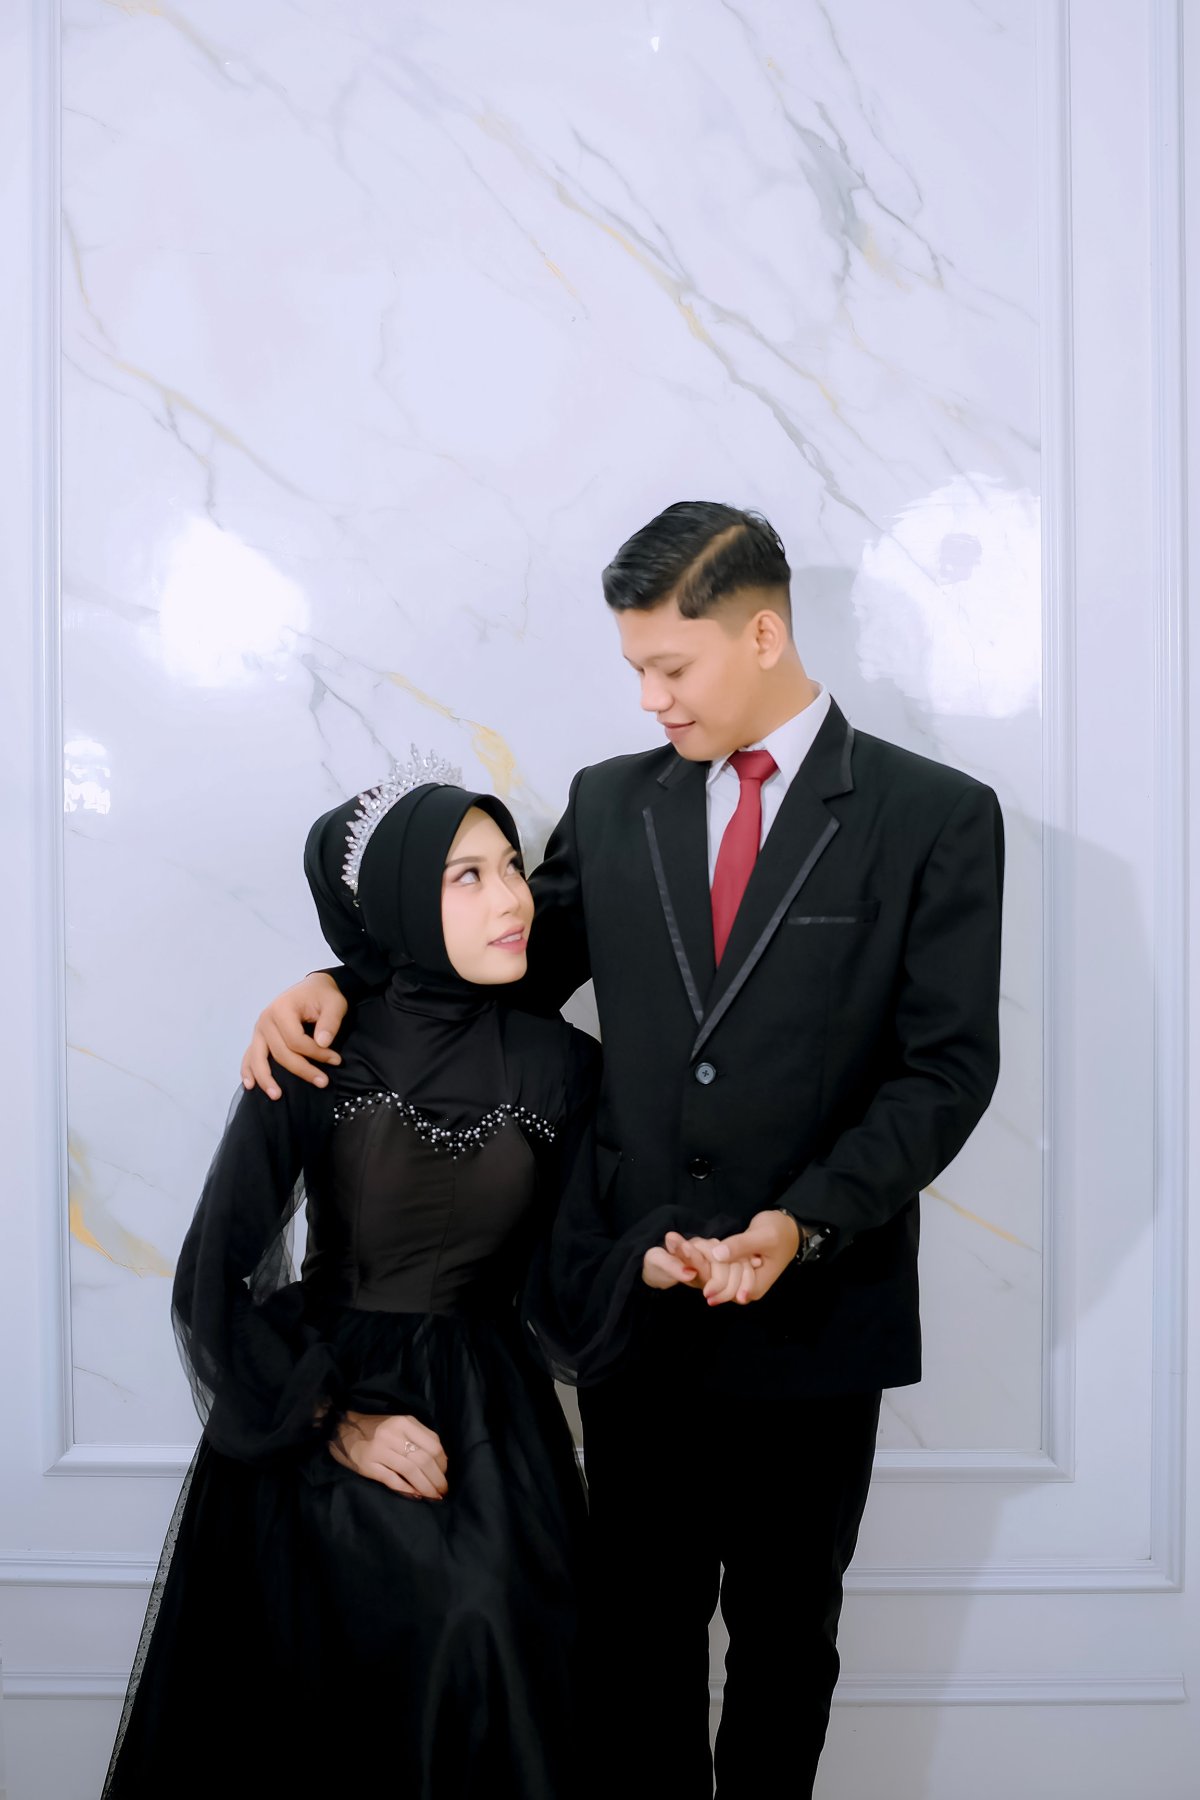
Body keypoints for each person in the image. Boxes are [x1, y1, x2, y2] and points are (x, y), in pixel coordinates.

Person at [243, 502, 1006, 1800]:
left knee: (787, 1641)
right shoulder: (610, 803)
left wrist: (803, 1222)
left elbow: (945, 1072)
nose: (650, 698)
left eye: (670, 667)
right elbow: (495, 970)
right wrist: (336, 987)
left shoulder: (933, 814)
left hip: (822, 1312)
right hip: (628, 1312)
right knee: (636, 1637)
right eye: (635, 670)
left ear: (761, 635)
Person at [104, 764, 611, 1800]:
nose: (512, 898)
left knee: (488, 1633)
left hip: (492, 1417)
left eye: (512, 866)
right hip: (319, 1403)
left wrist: (658, 1258)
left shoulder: (565, 1065)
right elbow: (211, 1280)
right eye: (467, 875)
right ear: (399, 903)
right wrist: (335, 1423)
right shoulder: (316, 1049)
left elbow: (572, 1283)